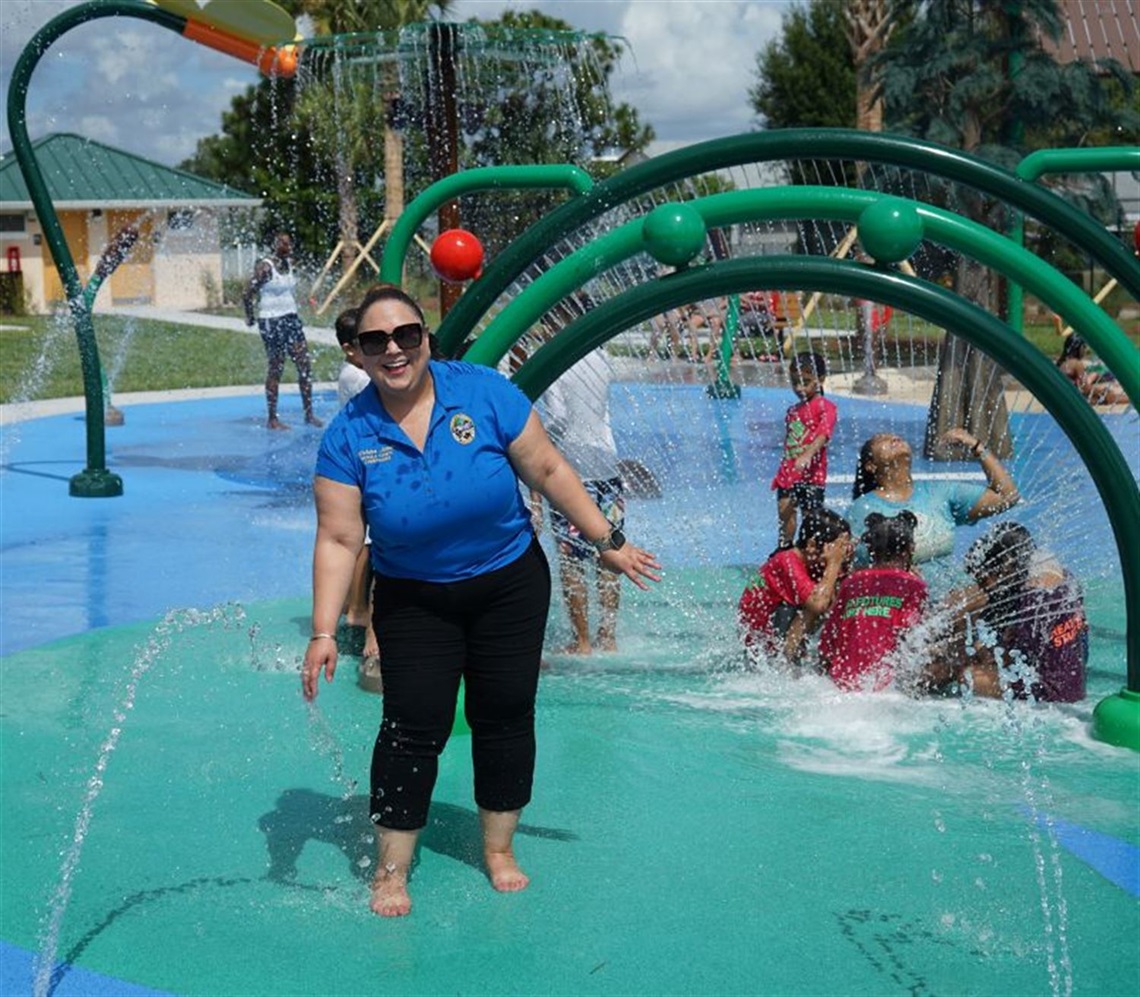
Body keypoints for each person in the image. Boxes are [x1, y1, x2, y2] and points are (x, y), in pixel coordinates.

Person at [301, 284, 661, 919]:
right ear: (358, 353)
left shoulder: (483, 392)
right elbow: (337, 537)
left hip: (507, 584)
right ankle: (392, 868)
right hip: (414, 598)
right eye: (376, 340)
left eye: (406, 335)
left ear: (426, 339)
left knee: (504, 713)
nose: (394, 350)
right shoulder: (349, 434)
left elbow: (547, 469)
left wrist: (607, 540)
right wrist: (324, 631)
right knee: (412, 727)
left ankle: (497, 850)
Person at [923, 522, 1087, 702]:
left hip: (1051, 693)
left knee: (966, 673)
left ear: (1006, 568)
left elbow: (998, 658)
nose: (983, 586)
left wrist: (959, 655)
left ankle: (913, 690)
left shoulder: (1030, 610)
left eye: (983, 578)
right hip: (1075, 675)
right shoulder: (1063, 580)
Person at [531, 347, 625, 654]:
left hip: (570, 472)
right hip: (608, 464)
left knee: (572, 556)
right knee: (609, 550)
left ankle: (581, 640)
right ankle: (607, 636)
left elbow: (557, 417)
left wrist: (536, 444)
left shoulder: (554, 358)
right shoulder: (602, 355)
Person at [846, 429, 1020, 586]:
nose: (892, 437)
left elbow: (1008, 496)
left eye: (894, 435)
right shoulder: (862, 509)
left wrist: (977, 447)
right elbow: (851, 567)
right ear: (870, 465)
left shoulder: (939, 492)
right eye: (880, 439)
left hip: (959, 597)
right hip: (902, 600)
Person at [819, 511, 928, 692]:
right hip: (885, 689)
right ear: (910, 549)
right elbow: (913, 639)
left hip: (841, 685)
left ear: (870, 549)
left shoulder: (851, 582)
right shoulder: (914, 586)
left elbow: (828, 644)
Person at [333, 307, 381, 690]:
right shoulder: (355, 376)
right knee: (365, 542)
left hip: (364, 458)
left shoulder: (355, 372)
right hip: (364, 462)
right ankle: (356, 611)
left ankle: (355, 609)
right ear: (351, 350)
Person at [738, 507, 852, 664]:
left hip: (779, 624)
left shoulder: (813, 562)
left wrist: (844, 566)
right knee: (815, 604)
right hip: (761, 641)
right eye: (835, 549)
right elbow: (818, 604)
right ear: (812, 545)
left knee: (835, 598)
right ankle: (786, 664)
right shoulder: (787, 561)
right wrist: (834, 563)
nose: (839, 553)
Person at [242, 232, 322, 430]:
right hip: (271, 320)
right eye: (284, 244)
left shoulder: (289, 265)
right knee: (276, 367)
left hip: (291, 319)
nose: (289, 247)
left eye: (290, 243)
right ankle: (272, 419)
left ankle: (309, 414)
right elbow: (247, 293)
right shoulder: (265, 267)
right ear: (275, 245)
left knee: (304, 365)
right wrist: (250, 317)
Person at [771, 352, 838, 549]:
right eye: (795, 382)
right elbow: (790, 440)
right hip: (788, 472)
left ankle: (810, 549)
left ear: (821, 379)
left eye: (806, 382)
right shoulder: (793, 410)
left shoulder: (826, 407)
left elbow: (823, 434)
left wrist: (807, 454)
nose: (799, 388)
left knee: (811, 517)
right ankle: (784, 547)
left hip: (812, 475)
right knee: (785, 511)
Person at [1056, 334, 1130, 407]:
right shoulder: (1076, 363)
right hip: (1074, 398)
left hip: (1064, 396)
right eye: (1084, 347)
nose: (1086, 350)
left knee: (1109, 390)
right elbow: (1084, 387)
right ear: (1080, 348)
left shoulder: (1061, 363)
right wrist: (1103, 391)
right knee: (1110, 393)